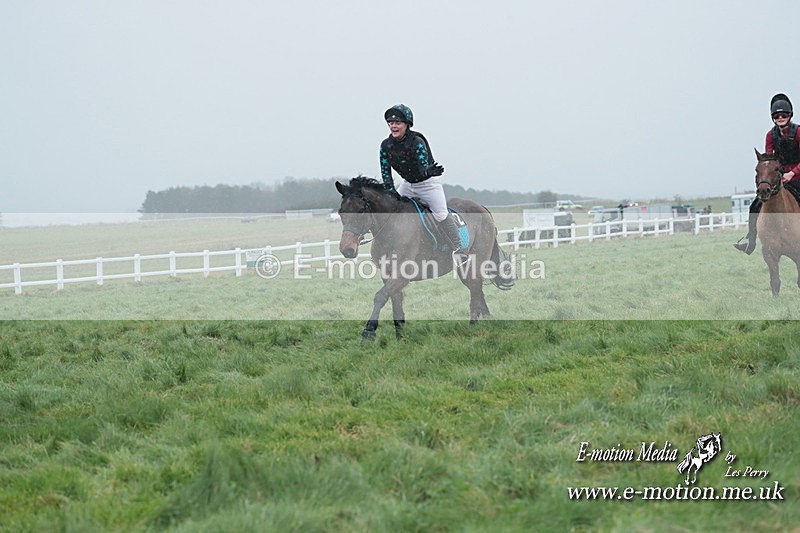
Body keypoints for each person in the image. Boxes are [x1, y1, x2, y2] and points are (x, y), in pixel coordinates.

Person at [379, 104, 467, 260]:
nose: (393, 126)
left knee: (440, 214)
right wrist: (391, 194)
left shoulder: (417, 141)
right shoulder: (386, 146)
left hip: (428, 184)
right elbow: (386, 173)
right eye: (391, 123)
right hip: (407, 185)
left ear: (407, 125)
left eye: (397, 122)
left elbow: (422, 167)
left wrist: (428, 171)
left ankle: (458, 248)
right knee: (391, 211)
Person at [735, 93, 800, 254]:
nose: (780, 117)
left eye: (783, 114)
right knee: (755, 205)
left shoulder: (798, 132)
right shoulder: (770, 135)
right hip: (780, 178)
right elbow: (769, 159)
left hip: (798, 176)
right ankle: (750, 242)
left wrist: (792, 173)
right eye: (776, 115)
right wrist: (773, 176)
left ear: (790, 115)